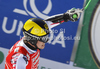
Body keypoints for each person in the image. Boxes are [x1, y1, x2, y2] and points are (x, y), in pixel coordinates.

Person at [5, 8, 81, 69]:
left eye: (46, 37)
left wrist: (66, 16)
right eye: (43, 38)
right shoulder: (20, 57)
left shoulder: (30, 42)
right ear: (32, 39)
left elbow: (48, 22)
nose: (46, 41)